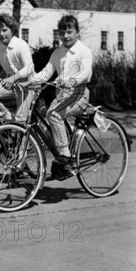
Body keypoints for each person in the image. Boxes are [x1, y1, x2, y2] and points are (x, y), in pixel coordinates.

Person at [21, 14, 93, 173]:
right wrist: (28, 81)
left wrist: (74, 80)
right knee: (48, 116)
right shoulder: (57, 53)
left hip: (79, 95)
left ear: (77, 32)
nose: (65, 36)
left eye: (69, 32)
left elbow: (86, 72)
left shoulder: (83, 51)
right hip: (61, 97)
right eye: (62, 33)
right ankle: (60, 154)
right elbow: (45, 73)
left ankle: (65, 155)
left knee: (53, 115)